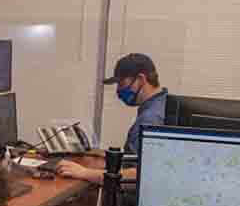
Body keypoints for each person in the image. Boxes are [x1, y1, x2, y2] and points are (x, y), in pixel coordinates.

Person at [57, 53, 167, 184]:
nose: (119, 90)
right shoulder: (163, 104)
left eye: (122, 83)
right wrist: (115, 157)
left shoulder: (151, 118)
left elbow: (141, 174)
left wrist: (85, 173)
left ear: (141, 79)